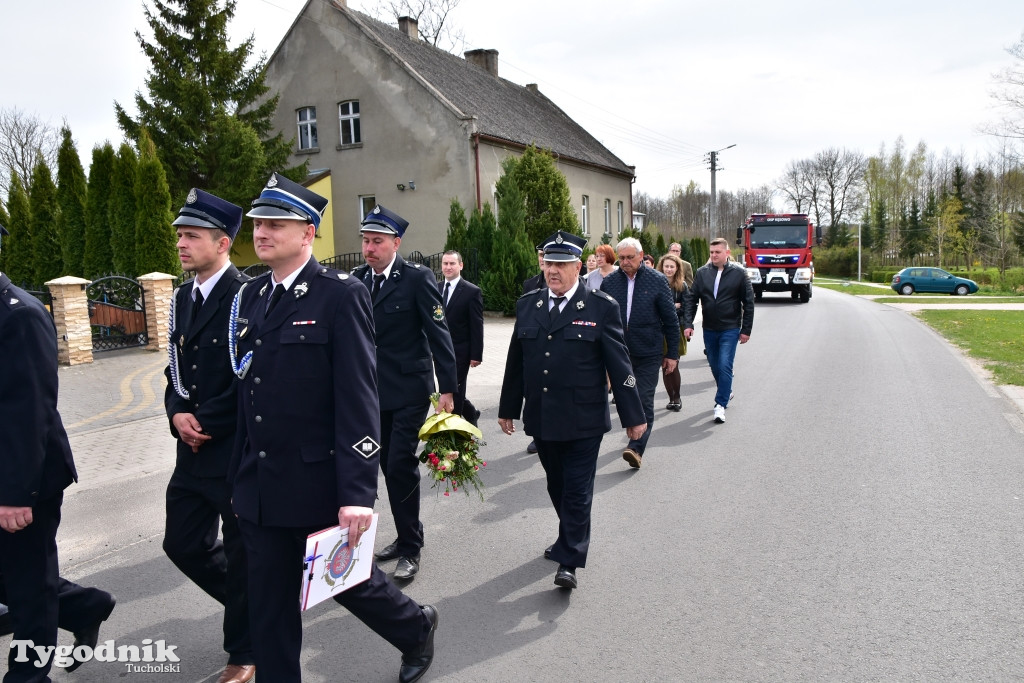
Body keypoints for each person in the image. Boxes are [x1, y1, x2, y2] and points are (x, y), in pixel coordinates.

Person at [227, 174, 438, 683]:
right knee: (272, 605)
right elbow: (246, 394)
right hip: (259, 484)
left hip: (316, 478)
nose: (262, 231)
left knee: (344, 581)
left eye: (277, 223)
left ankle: (414, 628)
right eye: (258, 222)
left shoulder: (338, 296)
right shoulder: (252, 296)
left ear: (308, 234)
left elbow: (359, 396)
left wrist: (359, 492)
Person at [498, 230, 645, 591]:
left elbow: (621, 367)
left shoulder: (600, 307)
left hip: (584, 419)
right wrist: (507, 408)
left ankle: (570, 561)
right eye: (549, 263)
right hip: (543, 417)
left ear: (578, 267)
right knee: (557, 485)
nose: (553, 270)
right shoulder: (528, 304)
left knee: (577, 490)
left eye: (561, 264)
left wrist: (634, 417)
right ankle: (569, 536)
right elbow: (515, 362)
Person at [1, 223, 116, 680]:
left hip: (23, 479)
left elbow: (28, 413)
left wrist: (14, 494)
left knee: (28, 589)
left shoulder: (19, 315)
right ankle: (86, 606)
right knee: (15, 579)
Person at [163, 190, 254, 683]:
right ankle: (262, 607)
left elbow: (251, 376)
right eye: (180, 234)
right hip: (191, 451)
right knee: (182, 544)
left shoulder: (247, 295)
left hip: (234, 450)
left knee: (241, 556)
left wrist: (207, 423)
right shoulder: (181, 297)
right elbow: (174, 368)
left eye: (191, 235)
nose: (181, 243)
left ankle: (245, 650)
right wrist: (178, 413)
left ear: (222, 243)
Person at [353, 205, 458, 582]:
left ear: (395, 243)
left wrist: (448, 389)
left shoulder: (417, 278)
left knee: (398, 463)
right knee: (385, 467)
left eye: (377, 241)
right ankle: (406, 534)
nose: (369, 248)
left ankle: (410, 548)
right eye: (365, 241)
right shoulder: (356, 280)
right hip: (371, 393)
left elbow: (438, 333)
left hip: (411, 389)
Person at [599, 237, 679, 469]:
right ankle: (633, 431)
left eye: (630, 257)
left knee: (644, 398)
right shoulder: (611, 282)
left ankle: (636, 447)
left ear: (641, 256)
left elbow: (670, 321)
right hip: (618, 353)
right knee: (623, 399)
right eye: (621, 258)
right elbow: (601, 316)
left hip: (648, 352)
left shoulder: (657, 281)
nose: (625, 262)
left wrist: (671, 353)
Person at [682, 237, 755, 424]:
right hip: (710, 328)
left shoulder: (740, 273)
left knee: (724, 365)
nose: (713, 255)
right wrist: (688, 323)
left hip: (730, 327)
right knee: (715, 365)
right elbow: (691, 299)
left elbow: (748, 302)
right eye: (711, 252)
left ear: (727, 253)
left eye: (717, 252)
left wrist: (746, 329)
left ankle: (720, 404)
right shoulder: (702, 273)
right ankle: (727, 390)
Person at [439, 250, 484, 427]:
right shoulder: (436, 288)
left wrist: (476, 354)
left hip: (460, 351)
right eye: (445, 264)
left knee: (454, 390)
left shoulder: (472, 291)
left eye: (452, 263)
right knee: (448, 388)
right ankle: (471, 413)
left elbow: (476, 325)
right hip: (439, 351)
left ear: (461, 265)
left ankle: (454, 431)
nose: (448, 267)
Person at [656, 253, 690, 412]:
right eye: (666, 266)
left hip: (676, 328)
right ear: (661, 267)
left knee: (673, 364)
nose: (668, 269)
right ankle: (671, 398)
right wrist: (672, 306)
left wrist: (675, 308)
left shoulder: (682, 285)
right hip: (658, 329)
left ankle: (677, 397)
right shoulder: (655, 283)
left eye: (672, 266)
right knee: (664, 365)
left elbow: (687, 308)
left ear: (677, 269)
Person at [521, 245, 546, 455]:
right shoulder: (530, 284)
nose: (542, 259)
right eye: (540, 255)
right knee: (534, 391)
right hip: (535, 345)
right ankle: (537, 436)